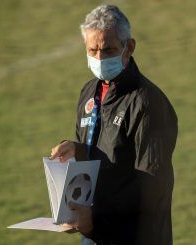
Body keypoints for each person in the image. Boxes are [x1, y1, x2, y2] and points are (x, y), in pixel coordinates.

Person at [50, 4, 178, 245]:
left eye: (108, 50)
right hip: (96, 235)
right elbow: (105, 157)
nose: (99, 58)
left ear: (128, 47)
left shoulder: (148, 102)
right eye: (92, 50)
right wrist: (77, 149)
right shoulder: (89, 92)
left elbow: (153, 185)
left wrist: (96, 217)